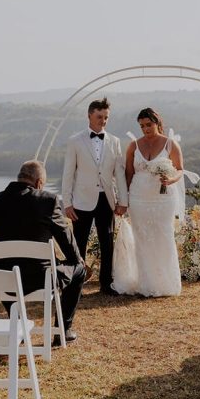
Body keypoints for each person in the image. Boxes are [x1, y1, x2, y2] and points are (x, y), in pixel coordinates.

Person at [0, 160, 85, 343]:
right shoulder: (47, 201)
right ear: (38, 183)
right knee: (79, 268)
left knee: (8, 268)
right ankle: (62, 331)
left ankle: (19, 326)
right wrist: (77, 260)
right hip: (39, 279)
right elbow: (67, 243)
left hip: (3, 279)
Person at [112, 107, 183, 298]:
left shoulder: (170, 144)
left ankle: (165, 282)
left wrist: (171, 180)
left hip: (163, 198)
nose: (145, 129)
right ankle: (146, 283)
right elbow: (128, 174)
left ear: (157, 123)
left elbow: (180, 170)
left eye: (148, 125)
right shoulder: (133, 146)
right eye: (142, 126)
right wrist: (123, 201)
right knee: (142, 238)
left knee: (163, 236)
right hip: (138, 198)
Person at [61, 98, 128, 295]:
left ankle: (106, 283)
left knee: (107, 243)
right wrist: (67, 203)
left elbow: (120, 174)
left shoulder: (114, 142)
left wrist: (122, 201)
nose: (103, 121)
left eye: (106, 117)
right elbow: (68, 174)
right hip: (81, 201)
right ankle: (76, 285)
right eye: (99, 117)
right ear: (89, 115)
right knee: (78, 245)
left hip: (106, 200)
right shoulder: (75, 141)